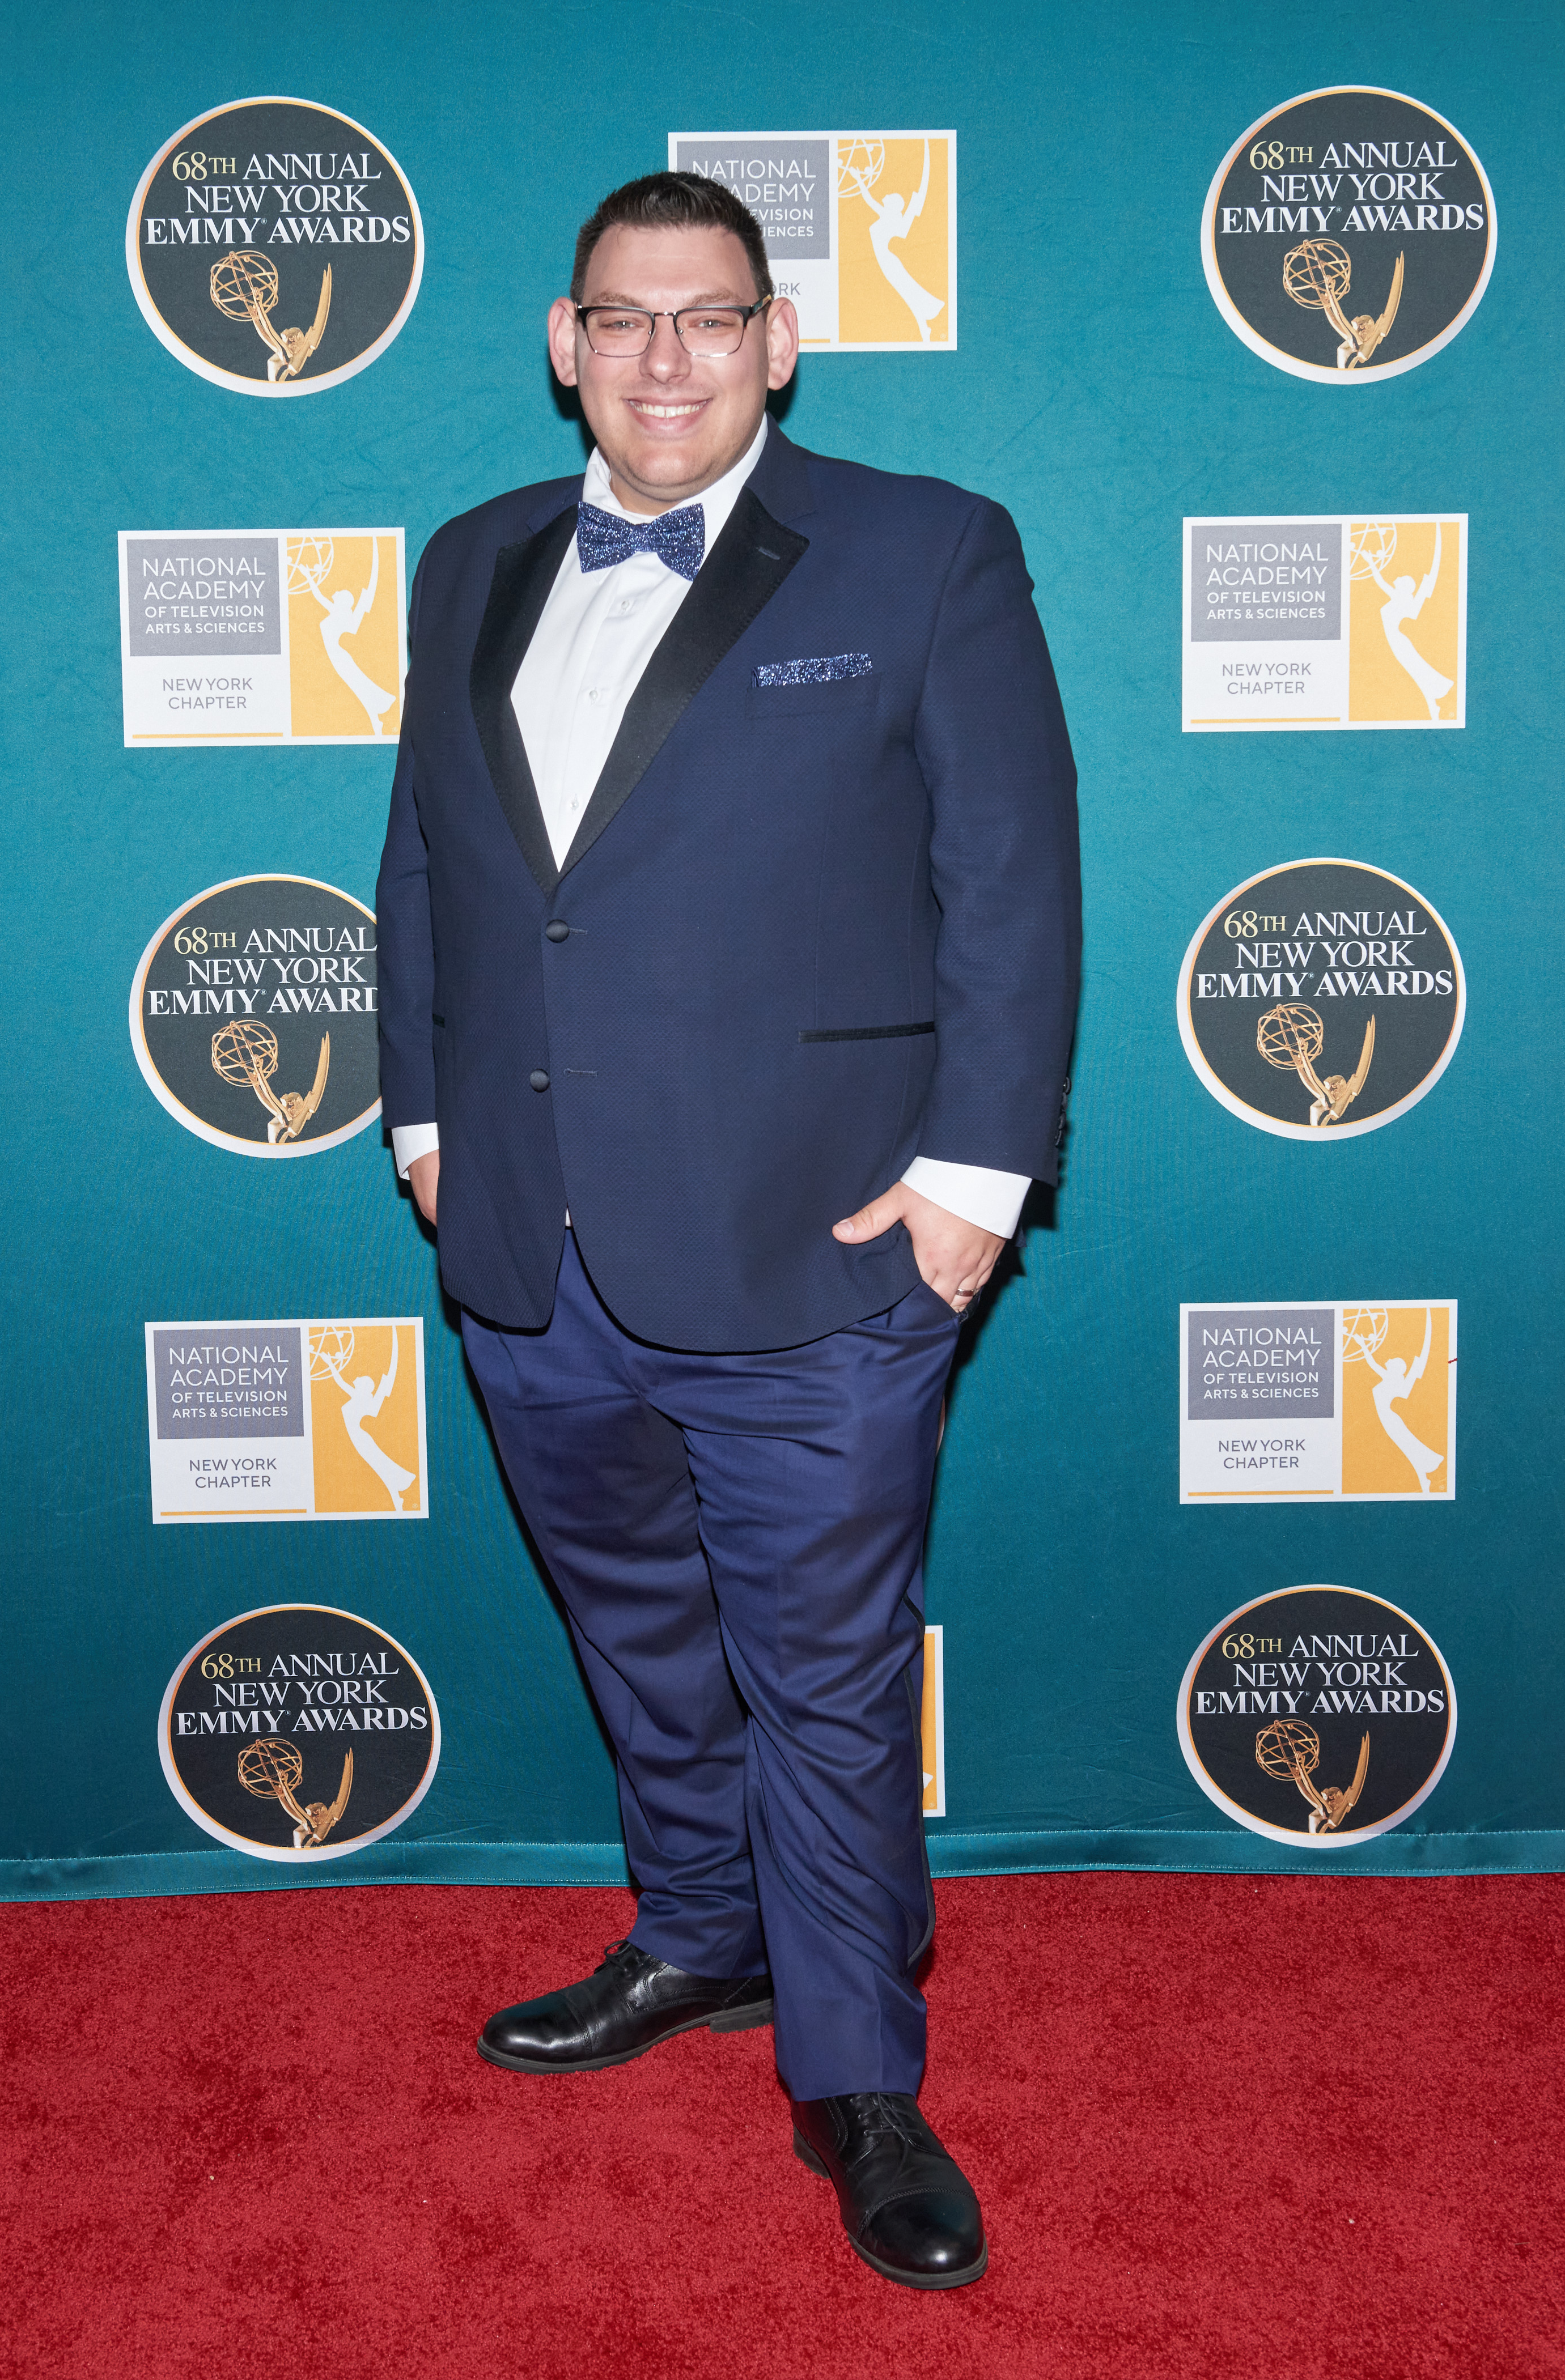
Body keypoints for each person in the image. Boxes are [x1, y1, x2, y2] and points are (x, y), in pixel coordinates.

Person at [376, 171, 1080, 2291]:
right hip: (534, 1247)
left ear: (777, 343)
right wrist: (424, 1117)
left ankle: (856, 2075)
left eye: (708, 316)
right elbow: (426, 863)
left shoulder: (925, 547)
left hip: (817, 1244)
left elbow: (1009, 879)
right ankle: (700, 1933)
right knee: (640, 1639)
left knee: (827, 1686)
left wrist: (969, 1191)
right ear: (565, 343)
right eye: (623, 316)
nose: (663, 356)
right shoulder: (472, 558)